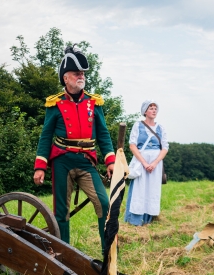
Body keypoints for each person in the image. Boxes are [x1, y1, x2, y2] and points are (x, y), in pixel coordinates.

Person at [33, 44, 115, 252]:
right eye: (76, 73)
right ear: (65, 78)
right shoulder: (55, 104)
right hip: (62, 161)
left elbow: (103, 134)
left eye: (82, 74)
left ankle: (109, 253)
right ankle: (64, 255)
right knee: (61, 213)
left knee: (104, 204)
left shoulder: (93, 103)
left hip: (87, 162)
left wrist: (110, 161)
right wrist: (40, 166)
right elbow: (46, 136)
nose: (81, 77)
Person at [124, 100, 168, 226]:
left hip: (156, 163)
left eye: (155, 108)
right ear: (144, 111)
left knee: (152, 189)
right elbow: (132, 145)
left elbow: (165, 147)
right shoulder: (138, 125)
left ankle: (148, 220)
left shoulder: (160, 127)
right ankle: (135, 220)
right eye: (151, 108)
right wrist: (144, 162)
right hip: (141, 160)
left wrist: (154, 163)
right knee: (139, 188)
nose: (154, 110)